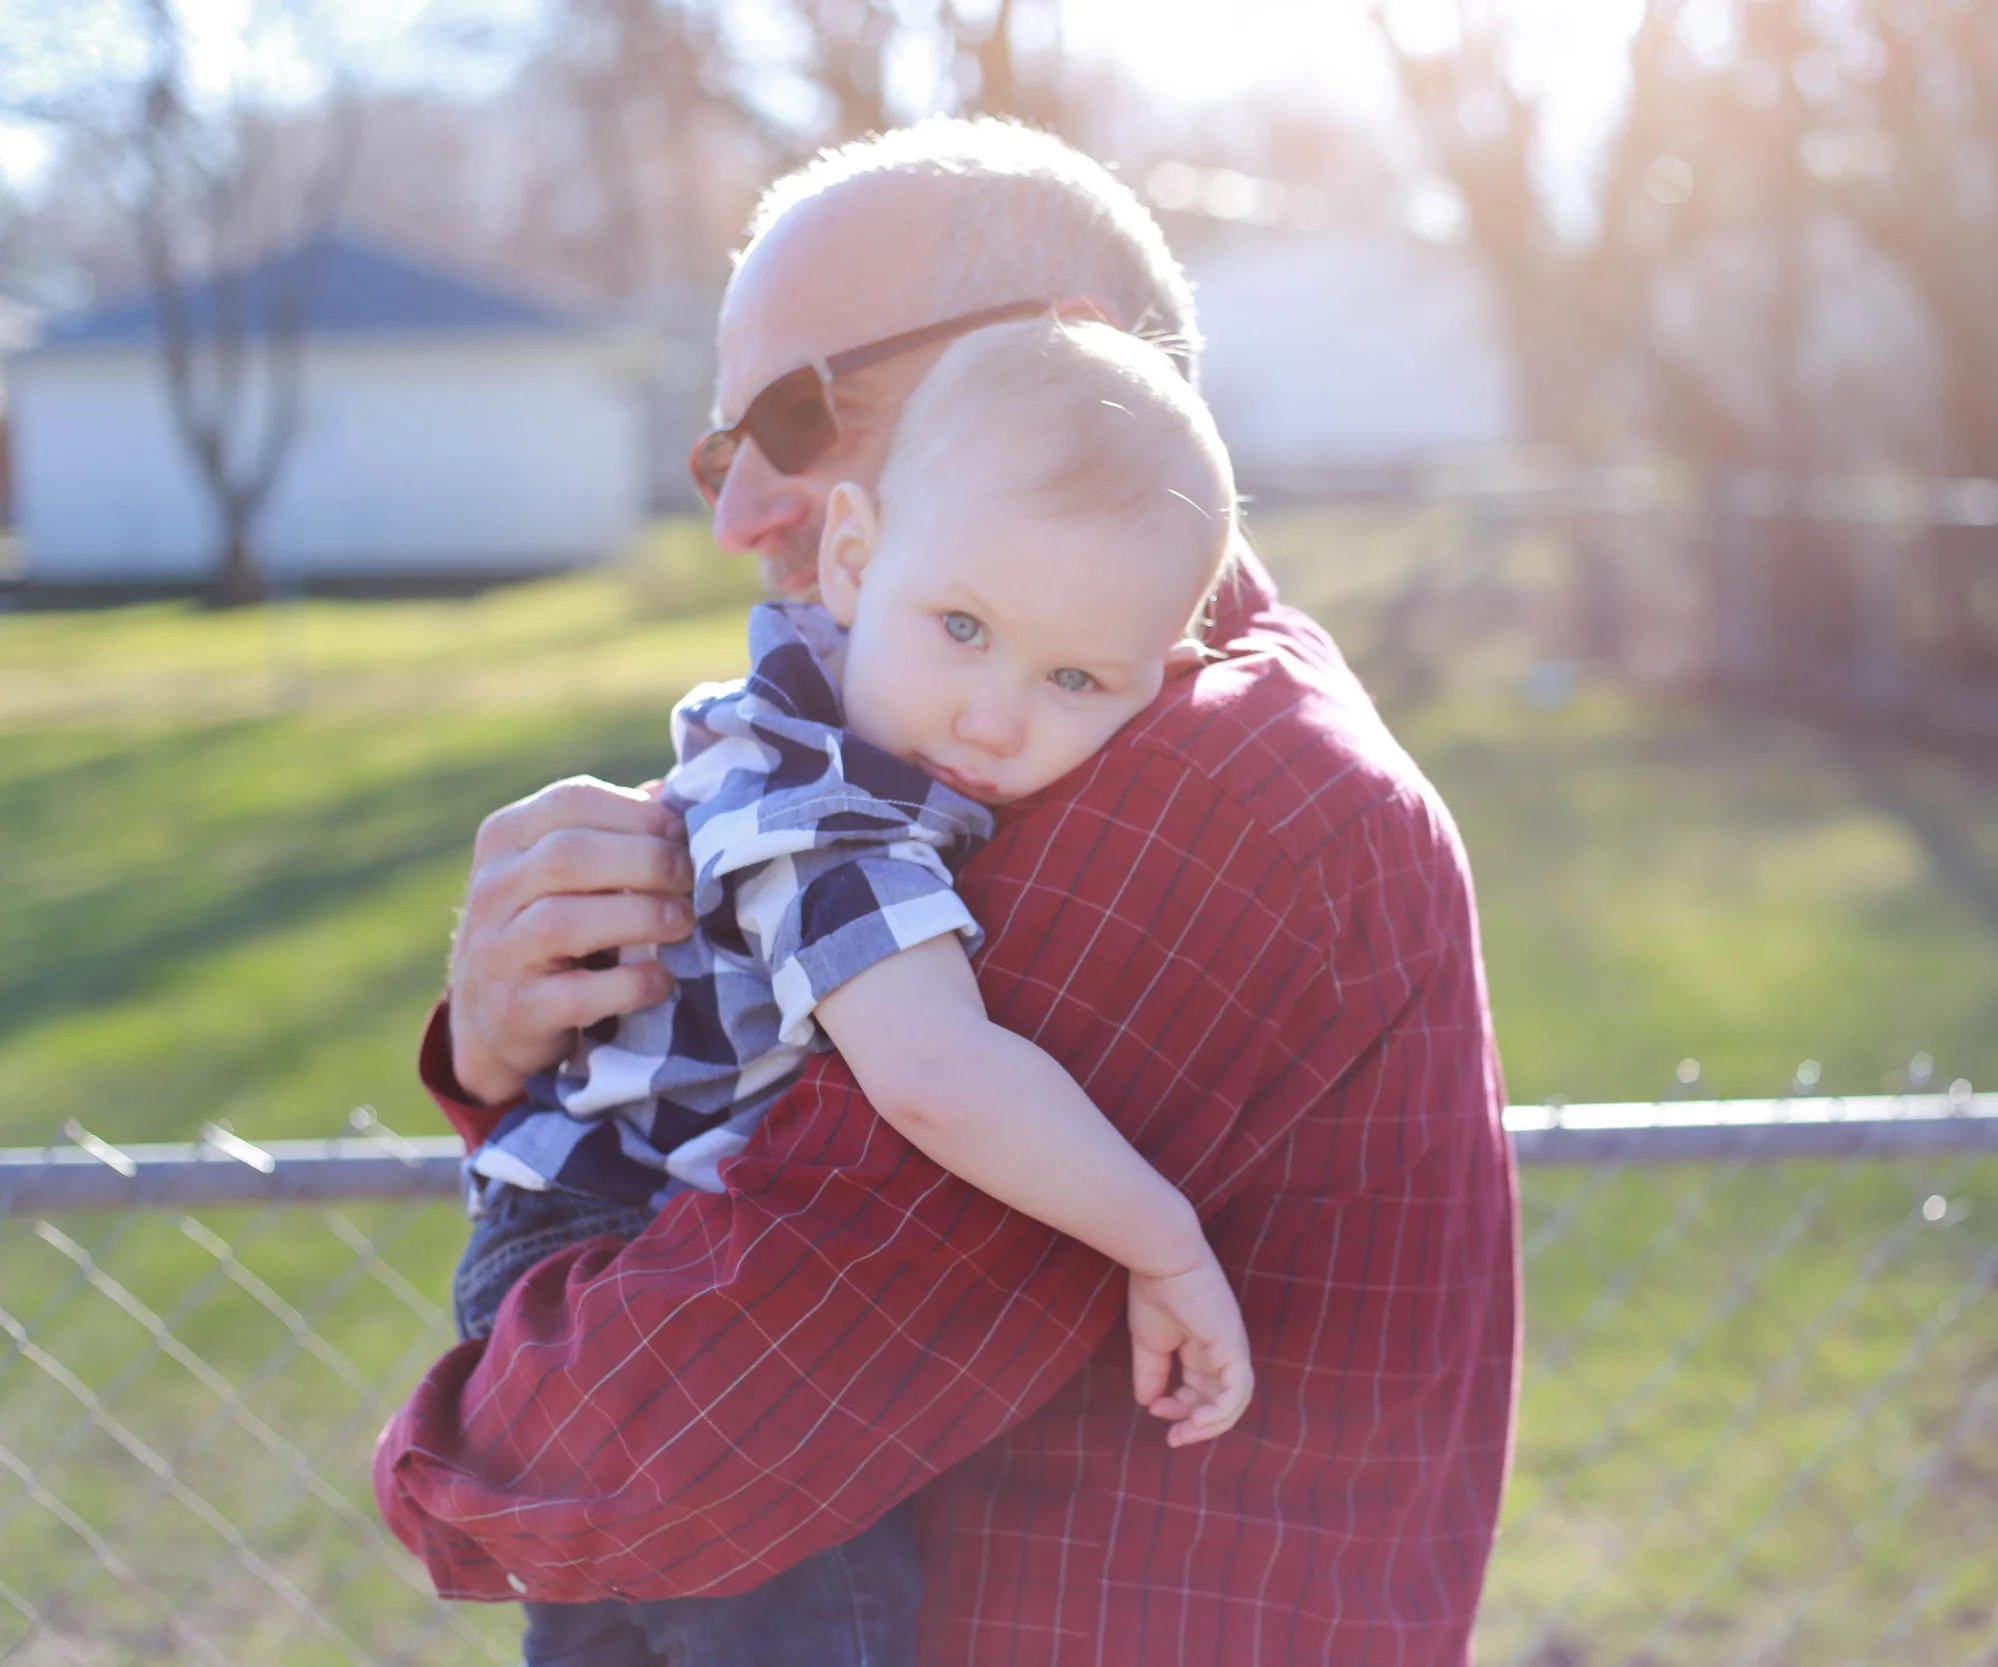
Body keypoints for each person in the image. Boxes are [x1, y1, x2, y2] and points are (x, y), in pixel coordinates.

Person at [376, 118, 1519, 1664]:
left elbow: (679, 1440)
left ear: (1071, 357)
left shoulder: (1208, 795)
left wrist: (447, 1454)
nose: (739, 513)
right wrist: (524, 1042)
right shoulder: (967, 757)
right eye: (724, 450)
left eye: (797, 411)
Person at [450, 314, 1253, 1665]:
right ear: (853, 556)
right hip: (629, 1265)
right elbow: (936, 1076)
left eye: (1075, 678)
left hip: (593, 1247)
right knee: (819, 1611)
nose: (995, 719)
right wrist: (1162, 1241)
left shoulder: (800, 722)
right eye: (962, 626)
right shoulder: (829, 809)